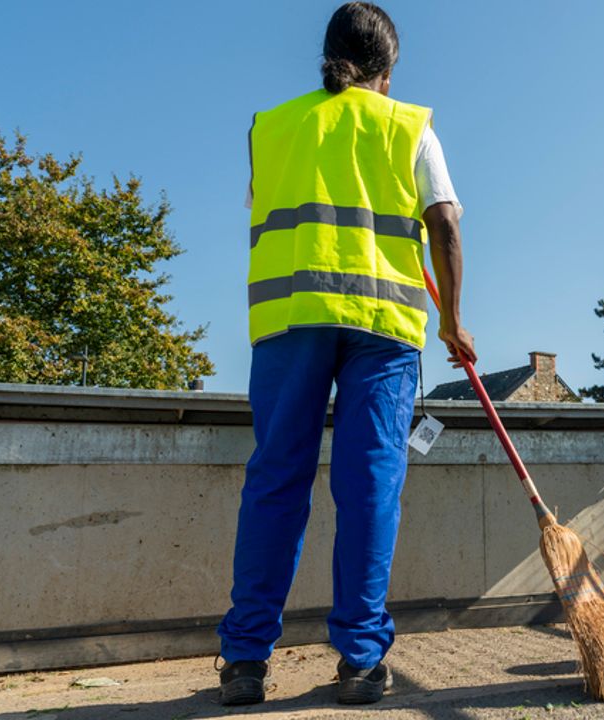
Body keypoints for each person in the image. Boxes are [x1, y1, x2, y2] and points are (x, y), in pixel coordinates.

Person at [215, 2, 475, 706]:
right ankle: (360, 661)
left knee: (275, 481)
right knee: (368, 487)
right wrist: (453, 320)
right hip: (382, 328)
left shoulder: (271, 128)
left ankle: (244, 663)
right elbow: (445, 224)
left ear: (328, 58)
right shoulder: (408, 126)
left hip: (290, 318)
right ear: (388, 72)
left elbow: (269, 208)